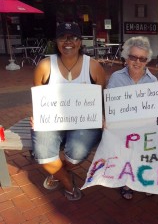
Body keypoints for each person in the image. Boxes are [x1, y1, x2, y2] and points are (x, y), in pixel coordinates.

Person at [31, 22, 106, 201]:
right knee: (43, 153)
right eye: (62, 37)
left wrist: (102, 116)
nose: (67, 42)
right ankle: (68, 184)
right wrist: (37, 115)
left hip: (85, 123)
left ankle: (58, 172)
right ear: (56, 42)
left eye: (73, 37)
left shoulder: (93, 66)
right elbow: (39, 98)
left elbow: (101, 98)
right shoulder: (45, 66)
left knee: (77, 152)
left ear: (80, 42)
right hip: (52, 121)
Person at [107, 36, 158, 200]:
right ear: (126, 58)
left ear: (146, 61)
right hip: (122, 129)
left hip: (145, 128)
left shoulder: (152, 80)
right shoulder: (116, 78)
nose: (137, 62)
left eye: (142, 59)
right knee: (126, 143)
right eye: (133, 57)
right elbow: (109, 106)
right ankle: (127, 181)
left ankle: (145, 179)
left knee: (150, 143)